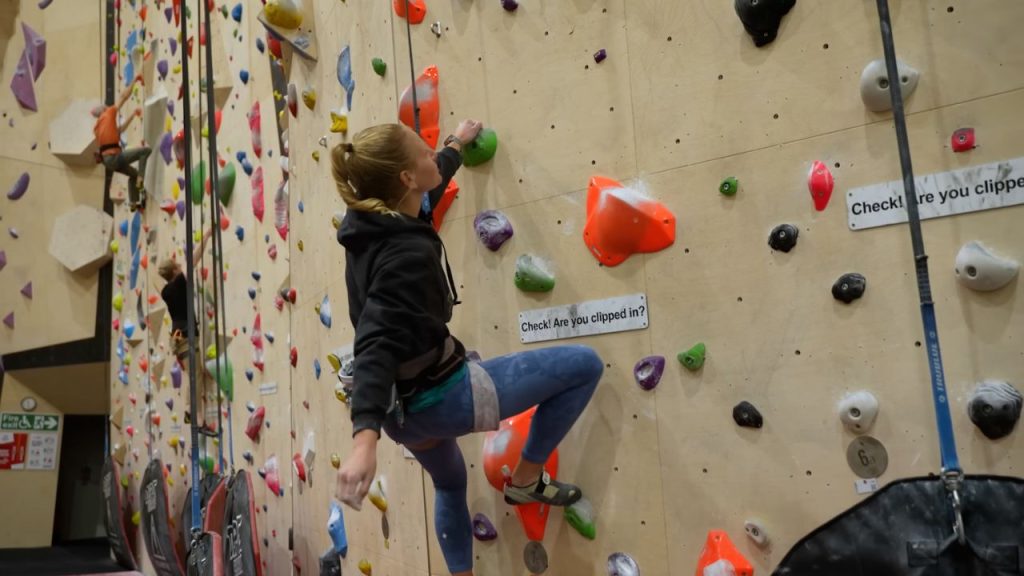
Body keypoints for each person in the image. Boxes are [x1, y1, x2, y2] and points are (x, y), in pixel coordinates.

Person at [331, 121, 604, 576]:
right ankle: (525, 479)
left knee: (450, 484)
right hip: (440, 399)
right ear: (405, 178)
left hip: (407, 416)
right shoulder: (404, 256)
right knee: (583, 365)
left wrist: (456, 144)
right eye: (424, 151)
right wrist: (364, 439)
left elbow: (426, 192)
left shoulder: (372, 221)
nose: (431, 153)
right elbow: (374, 342)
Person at [158, 228, 212, 374]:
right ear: (175, 271)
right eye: (177, 266)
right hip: (185, 335)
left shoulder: (166, 291)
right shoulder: (178, 283)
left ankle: (201, 374)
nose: (181, 267)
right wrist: (206, 236)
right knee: (195, 380)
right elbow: (193, 260)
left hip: (178, 336)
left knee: (195, 374)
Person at [93, 75, 151, 211]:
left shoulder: (97, 128)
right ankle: (141, 180)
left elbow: (120, 130)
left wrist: (132, 115)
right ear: (104, 110)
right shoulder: (108, 113)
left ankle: (133, 202)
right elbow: (124, 96)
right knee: (145, 151)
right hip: (115, 157)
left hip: (109, 162)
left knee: (133, 174)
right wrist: (134, 80)